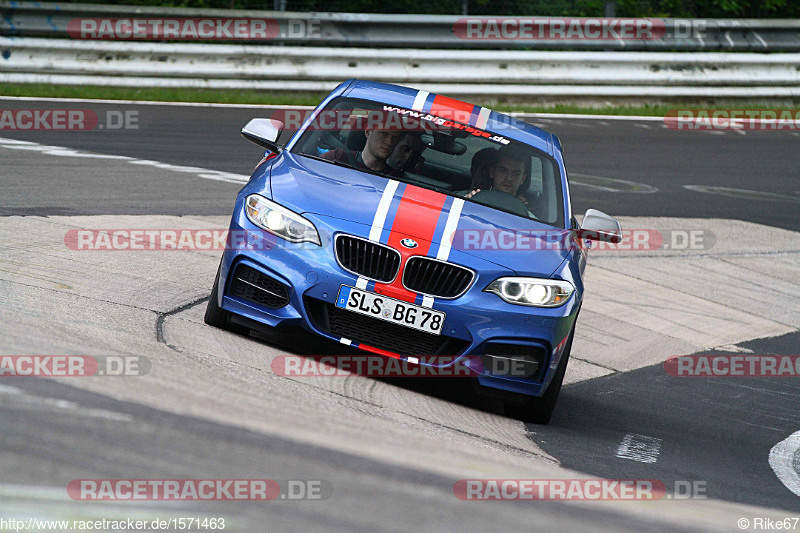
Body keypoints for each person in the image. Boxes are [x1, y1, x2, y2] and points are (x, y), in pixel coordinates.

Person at [321, 122, 401, 173]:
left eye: (395, 138)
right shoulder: (337, 157)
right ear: (368, 132)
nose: (389, 142)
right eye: (384, 134)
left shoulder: (396, 179)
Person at [464, 145, 528, 201]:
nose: (509, 178)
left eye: (516, 174)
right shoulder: (465, 198)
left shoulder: (525, 214)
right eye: (503, 170)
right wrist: (466, 202)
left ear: (523, 179)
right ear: (492, 172)